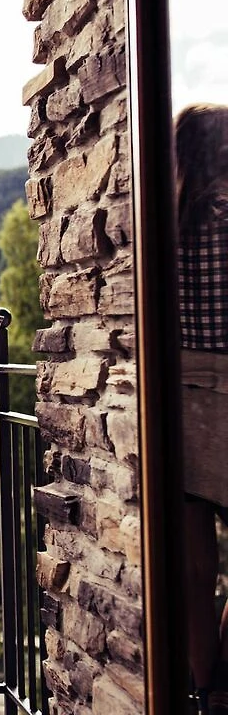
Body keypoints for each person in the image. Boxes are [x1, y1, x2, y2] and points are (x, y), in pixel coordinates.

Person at [174, 103, 228, 715]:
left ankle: (206, 685)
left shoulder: (160, 224)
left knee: (193, 567)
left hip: (179, 405)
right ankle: (225, 681)